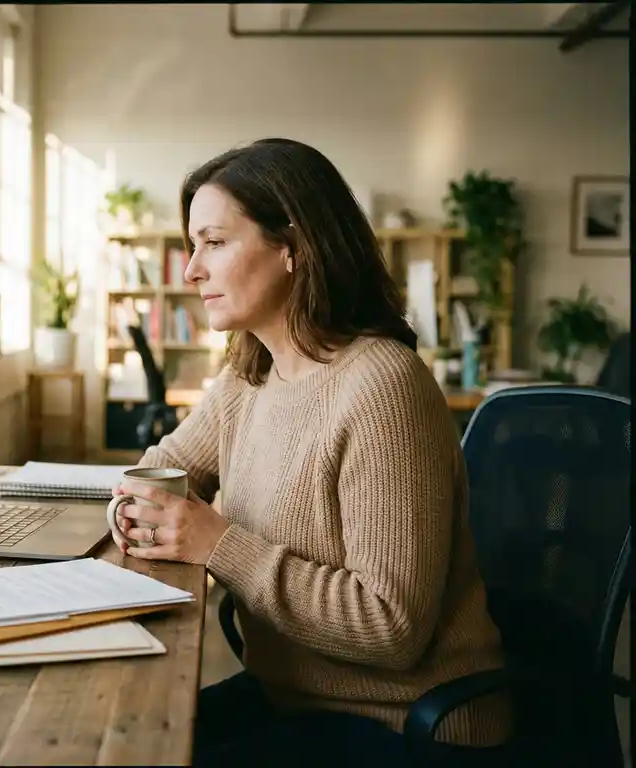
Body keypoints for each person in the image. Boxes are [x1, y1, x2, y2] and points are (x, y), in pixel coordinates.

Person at [109, 138, 511, 766]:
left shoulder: (382, 386)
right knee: (119, 742)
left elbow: (392, 628)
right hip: (296, 697)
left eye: (213, 242)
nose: (190, 270)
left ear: (291, 246)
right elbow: (161, 467)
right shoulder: (252, 373)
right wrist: (134, 504)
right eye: (193, 246)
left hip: (405, 722)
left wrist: (217, 544)